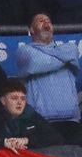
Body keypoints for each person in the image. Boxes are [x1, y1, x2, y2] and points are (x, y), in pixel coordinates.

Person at [16, 13, 81, 142]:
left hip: (72, 120)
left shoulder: (69, 48)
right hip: (42, 122)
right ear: (32, 30)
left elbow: (73, 52)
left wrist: (47, 53)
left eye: (48, 21)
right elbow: (39, 62)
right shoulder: (24, 51)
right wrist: (64, 59)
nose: (46, 23)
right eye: (41, 21)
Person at [0, 78, 63, 151]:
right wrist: (3, 142)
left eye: (23, 98)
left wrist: (27, 140)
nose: (20, 102)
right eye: (14, 98)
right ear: (3, 101)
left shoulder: (30, 114)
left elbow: (56, 137)